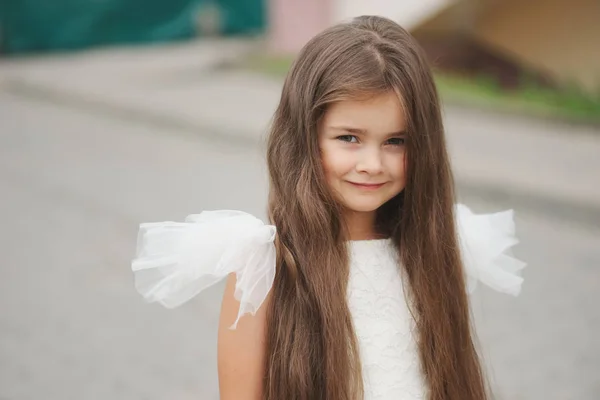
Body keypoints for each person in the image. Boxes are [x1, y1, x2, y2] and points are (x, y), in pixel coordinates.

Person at [131, 15, 526, 400]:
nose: (373, 163)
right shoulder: (263, 265)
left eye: (396, 141)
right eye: (349, 137)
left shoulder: (435, 245)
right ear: (305, 137)